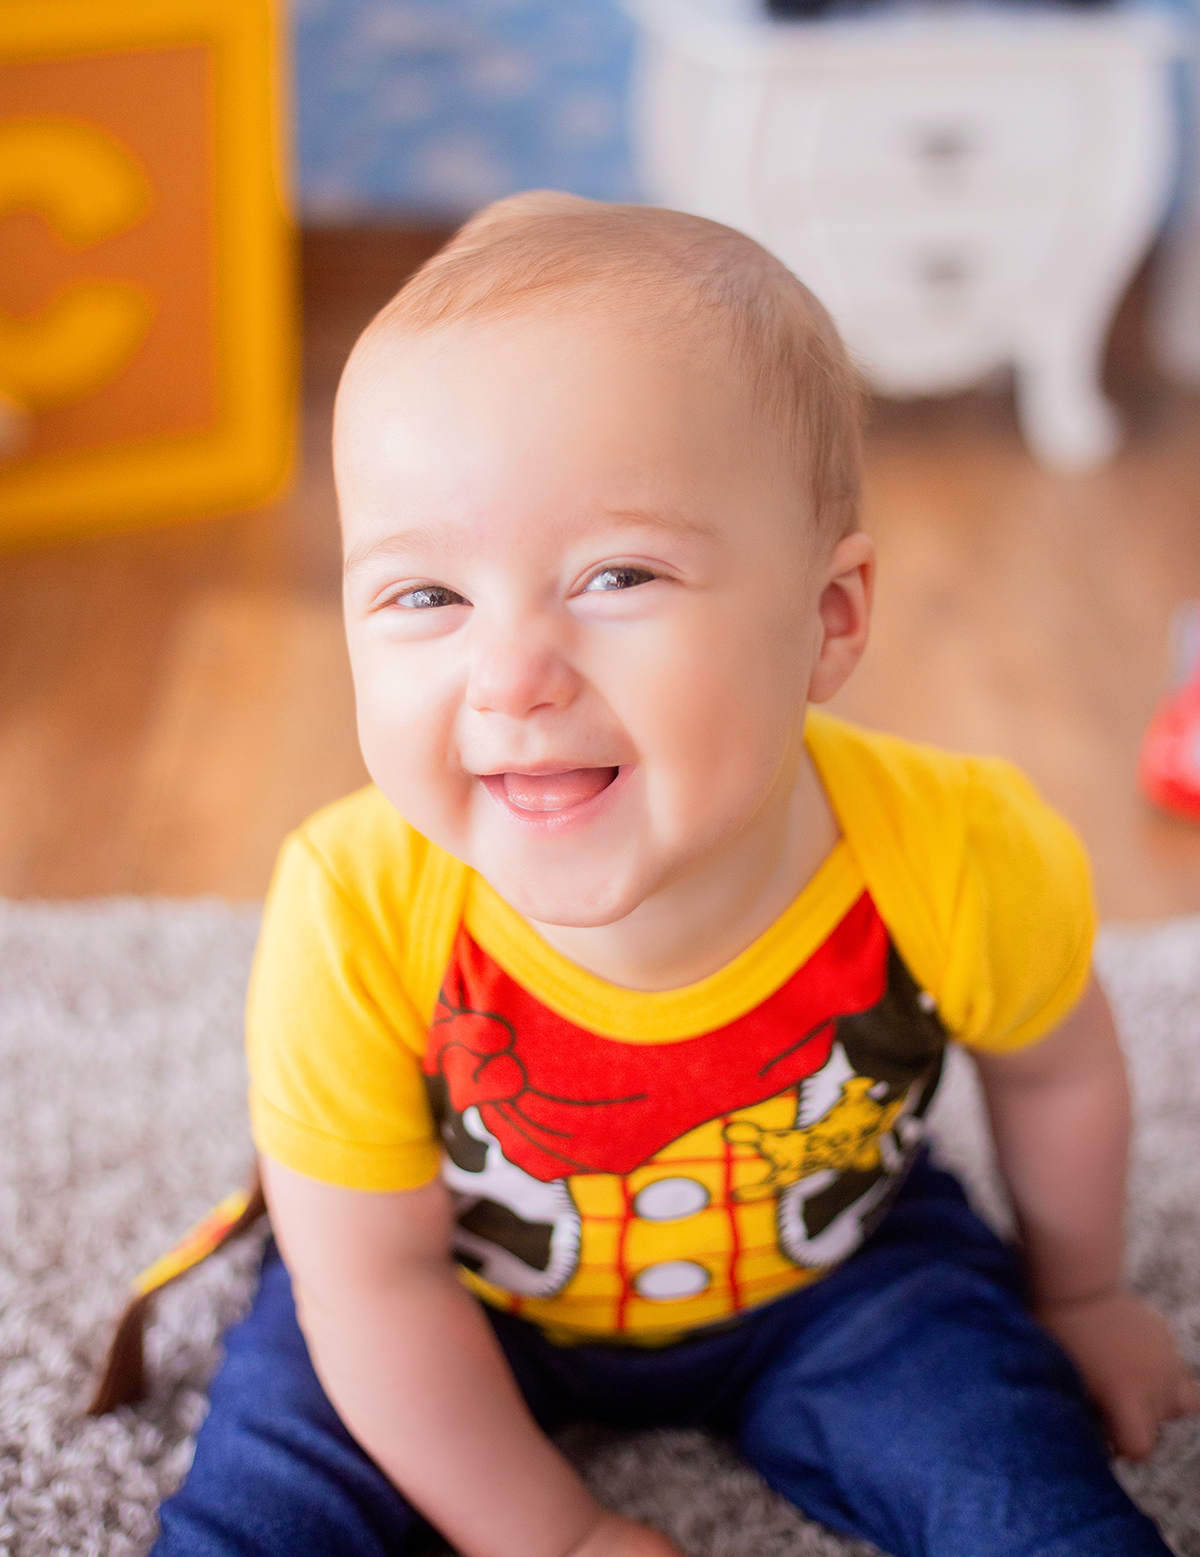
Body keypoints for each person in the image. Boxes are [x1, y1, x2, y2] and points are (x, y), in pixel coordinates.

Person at [154, 193, 1197, 1557]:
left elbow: (1056, 1072)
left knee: (1027, 1501)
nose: (510, 676)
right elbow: (373, 1282)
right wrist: (551, 1532)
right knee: (265, 1500)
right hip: (452, 1301)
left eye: (618, 576)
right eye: (427, 596)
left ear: (828, 619)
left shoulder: (956, 846)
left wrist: (1080, 1296)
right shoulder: (353, 906)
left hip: (842, 1280)